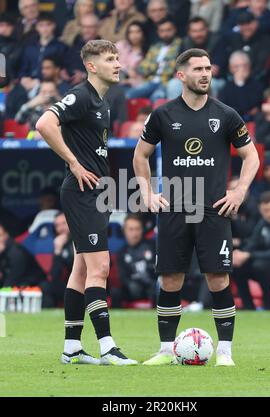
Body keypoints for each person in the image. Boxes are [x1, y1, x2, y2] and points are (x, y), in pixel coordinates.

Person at [133, 48, 260, 366]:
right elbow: (140, 155)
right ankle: (165, 351)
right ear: (181, 76)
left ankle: (225, 353)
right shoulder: (163, 114)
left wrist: (239, 191)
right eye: (198, 69)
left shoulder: (227, 115)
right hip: (174, 208)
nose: (205, 74)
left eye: (208, 68)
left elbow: (251, 156)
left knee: (218, 279)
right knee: (170, 280)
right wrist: (147, 192)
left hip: (212, 209)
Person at [36, 39, 137, 366]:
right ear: (92, 66)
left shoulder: (103, 102)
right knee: (100, 268)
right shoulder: (80, 96)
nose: (118, 64)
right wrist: (74, 164)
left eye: (118, 58)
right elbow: (44, 124)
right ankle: (108, 347)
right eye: (110, 59)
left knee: (81, 270)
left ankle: (72, 348)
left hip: (94, 192)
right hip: (81, 191)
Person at [126, 16, 182, 102]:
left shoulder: (180, 45)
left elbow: (173, 69)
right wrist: (156, 65)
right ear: (158, 32)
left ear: (174, 30)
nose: (165, 34)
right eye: (162, 31)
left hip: (166, 82)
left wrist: (154, 64)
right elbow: (142, 68)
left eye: (168, 30)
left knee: (156, 99)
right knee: (128, 95)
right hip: (150, 81)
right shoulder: (155, 47)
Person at [117, 214, 156, 304]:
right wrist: (132, 284)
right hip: (132, 289)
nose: (134, 233)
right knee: (117, 293)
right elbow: (123, 278)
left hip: (152, 288)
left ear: (142, 230)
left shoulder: (153, 246)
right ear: (124, 231)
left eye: (137, 229)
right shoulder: (122, 253)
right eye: (131, 229)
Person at [18, 12, 67, 80]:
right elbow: (22, 70)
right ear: (36, 27)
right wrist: (24, 79)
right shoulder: (29, 47)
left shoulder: (61, 47)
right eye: (41, 25)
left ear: (54, 25)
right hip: (29, 83)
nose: (45, 29)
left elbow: (61, 69)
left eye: (48, 25)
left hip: (50, 83)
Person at [218, 50, 263, 120]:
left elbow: (248, 107)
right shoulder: (226, 87)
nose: (241, 69)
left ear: (249, 66)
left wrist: (240, 83)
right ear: (231, 68)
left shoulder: (257, 85)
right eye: (237, 66)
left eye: (244, 65)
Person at [41, 212, 74, 308]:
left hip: (86, 284)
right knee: (46, 286)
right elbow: (54, 275)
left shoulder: (80, 239)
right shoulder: (60, 243)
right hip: (70, 285)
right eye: (57, 225)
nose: (61, 228)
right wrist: (57, 251)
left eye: (64, 223)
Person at [0, 223, 46, 288]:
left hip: (35, 288)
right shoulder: (3, 252)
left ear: (6, 235)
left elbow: (10, 283)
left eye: (0, 235)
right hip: (18, 287)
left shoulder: (16, 252)